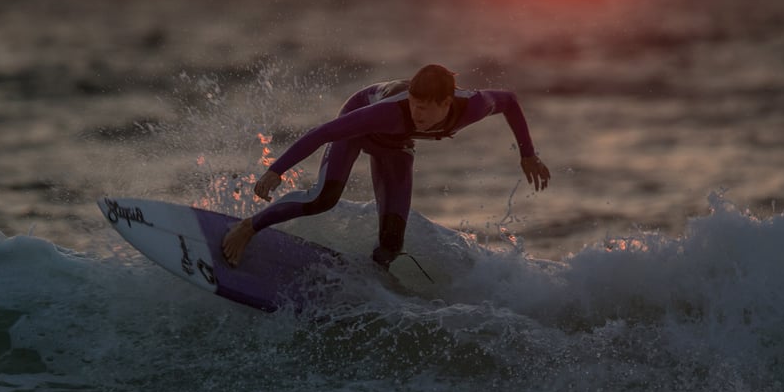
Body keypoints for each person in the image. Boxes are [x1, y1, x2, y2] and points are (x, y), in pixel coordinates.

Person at [221, 64, 550, 269]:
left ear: (446, 104)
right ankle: (249, 227)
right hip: (359, 126)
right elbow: (323, 132)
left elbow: (509, 100)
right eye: (413, 104)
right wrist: (276, 169)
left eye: (423, 108)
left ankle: (373, 276)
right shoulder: (389, 111)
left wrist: (528, 154)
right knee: (324, 198)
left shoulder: (474, 106)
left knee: (393, 242)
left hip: (395, 144)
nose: (416, 113)